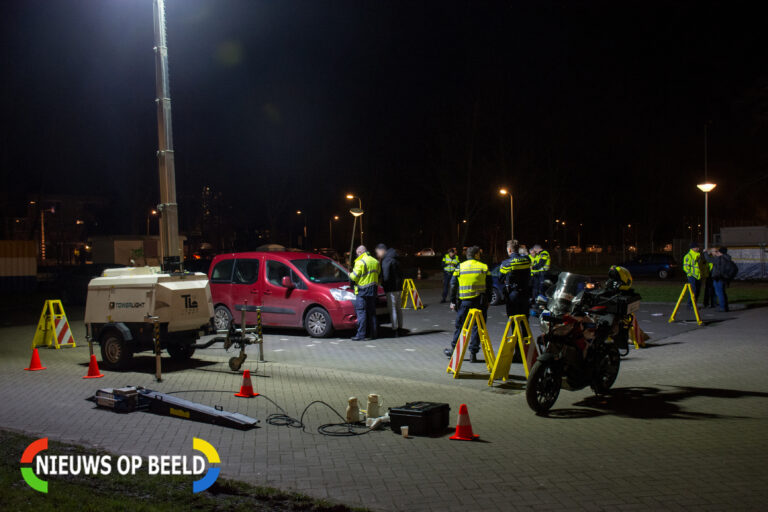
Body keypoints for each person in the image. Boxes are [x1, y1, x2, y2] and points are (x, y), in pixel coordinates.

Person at [443, 245, 492, 363]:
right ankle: (473, 354)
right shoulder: (484, 267)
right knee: (477, 327)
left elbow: (453, 284)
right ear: (476, 255)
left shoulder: (460, 267)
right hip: (480, 302)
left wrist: (453, 301)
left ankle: (454, 350)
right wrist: (488, 300)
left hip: (464, 302)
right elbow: (489, 285)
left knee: (460, 326)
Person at [349, 245, 380, 341]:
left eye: (357, 253)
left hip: (362, 291)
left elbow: (354, 277)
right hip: (373, 290)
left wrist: (349, 274)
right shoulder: (375, 261)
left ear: (359, 252)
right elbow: (378, 273)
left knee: (361, 313)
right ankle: (374, 334)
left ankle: (361, 335)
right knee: (372, 313)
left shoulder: (360, 262)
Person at [375, 243, 405, 336]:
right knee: (398, 308)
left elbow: (386, 276)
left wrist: (383, 284)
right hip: (398, 287)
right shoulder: (396, 257)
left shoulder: (386, 260)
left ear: (382, 250)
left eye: (378, 252)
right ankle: (400, 327)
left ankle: (394, 329)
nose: (378, 255)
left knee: (392, 309)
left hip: (391, 288)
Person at [499, 240, 532, 318]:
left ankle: (515, 330)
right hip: (525, 293)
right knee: (525, 319)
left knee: (513, 319)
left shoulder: (506, 263)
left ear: (509, 250)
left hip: (513, 294)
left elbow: (500, 278)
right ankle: (525, 330)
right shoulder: (527, 260)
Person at [711, 246, 737, 312]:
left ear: (721, 252)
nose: (717, 252)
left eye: (718, 251)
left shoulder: (721, 259)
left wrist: (705, 253)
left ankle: (722, 307)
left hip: (719, 278)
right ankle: (725, 306)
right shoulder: (727, 258)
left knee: (720, 293)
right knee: (722, 293)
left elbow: (710, 260)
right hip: (724, 278)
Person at [682, 242, 704, 308]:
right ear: (692, 248)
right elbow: (685, 267)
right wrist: (690, 274)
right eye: (696, 247)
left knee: (697, 291)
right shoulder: (688, 256)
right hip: (692, 276)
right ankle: (690, 305)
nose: (698, 248)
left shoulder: (698, 255)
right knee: (693, 291)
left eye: (698, 247)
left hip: (698, 276)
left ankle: (694, 304)